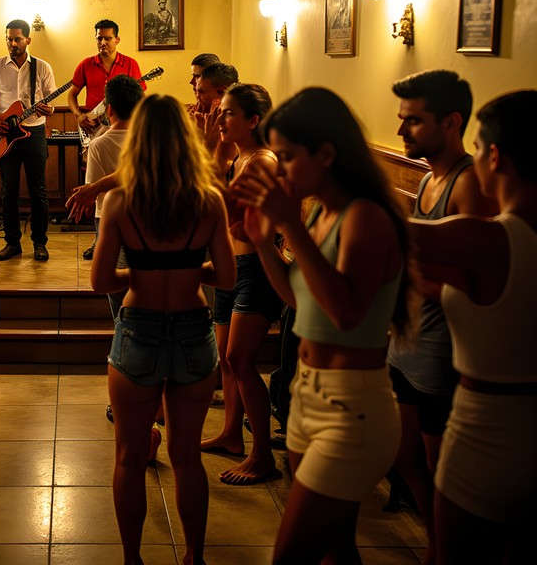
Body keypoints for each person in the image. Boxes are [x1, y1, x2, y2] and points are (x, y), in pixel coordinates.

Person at [232, 87, 408, 564]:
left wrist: (291, 226)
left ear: (327, 154)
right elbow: (299, 301)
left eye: (288, 157)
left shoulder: (365, 217)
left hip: (350, 405)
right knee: (335, 547)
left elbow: (347, 315)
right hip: (311, 395)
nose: (280, 168)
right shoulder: (321, 211)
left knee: (290, 554)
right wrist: (264, 241)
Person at [91, 93, 235, 565]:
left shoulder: (119, 201)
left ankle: (133, 559)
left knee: (130, 458)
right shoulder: (208, 200)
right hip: (195, 330)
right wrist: (191, 272)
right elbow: (229, 277)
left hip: (138, 330)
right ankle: (194, 556)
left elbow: (101, 281)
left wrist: (142, 274)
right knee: (187, 456)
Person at [406, 89, 537, 565]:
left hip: (486, 430)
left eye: (478, 148)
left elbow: (389, 231)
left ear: (495, 156)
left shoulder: (486, 237)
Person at [388, 69, 497, 562]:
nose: (401, 131)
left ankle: (444, 552)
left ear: (451, 122)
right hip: (407, 344)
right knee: (405, 456)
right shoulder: (430, 178)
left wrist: (396, 276)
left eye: (412, 121)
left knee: (439, 471)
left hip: (439, 351)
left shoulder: (468, 185)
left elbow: (471, 286)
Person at [199, 83, 285, 486]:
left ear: (253, 121)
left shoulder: (262, 161)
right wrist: (215, 146)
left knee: (241, 361)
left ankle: (262, 453)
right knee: (227, 359)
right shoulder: (239, 155)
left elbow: (217, 204)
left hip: (256, 269)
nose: (221, 119)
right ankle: (233, 433)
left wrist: (210, 148)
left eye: (229, 113)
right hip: (231, 266)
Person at [0, 19, 57, 262]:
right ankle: (12, 243)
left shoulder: (42, 67)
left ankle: (40, 243)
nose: (12, 43)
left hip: (35, 135)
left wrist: (49, 111)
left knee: (38, 191)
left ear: (28, 40)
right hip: (6, 135)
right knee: (8, 192)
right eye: (8, 38)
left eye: (17, 39)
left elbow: (50, 104)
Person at [84, 74, 144, 308]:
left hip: (109, 220)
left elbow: (94, 192)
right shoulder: (149, 139)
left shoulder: (99, 145)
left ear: (108, 109)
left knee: (116, 289)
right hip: (144, 218)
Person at [67, 19, 145, 138]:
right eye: (99, 38)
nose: (103, 42)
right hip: (92, 125)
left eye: (107, 38)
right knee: (92, 156)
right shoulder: (85, 64)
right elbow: (72, 94)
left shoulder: (131, 64)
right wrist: (78, 116)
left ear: (117, 40)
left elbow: (141, 97)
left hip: (122, 126)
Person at [185, 52, 221, 120]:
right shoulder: (194, 110)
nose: (192, 82)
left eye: (197, 76)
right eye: (193, 76)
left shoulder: (222, 113)